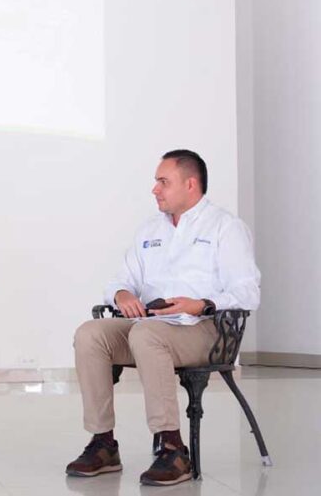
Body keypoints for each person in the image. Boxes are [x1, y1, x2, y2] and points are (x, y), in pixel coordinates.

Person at [66, 150, 261, 486]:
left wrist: (200, 304)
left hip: (206, 329)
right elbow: (121, 279)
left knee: (147, 335)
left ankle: (173, 448)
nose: (154, 189)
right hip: (151, 327)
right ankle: (103, 443)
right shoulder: (150, 230)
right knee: (90, 334)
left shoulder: (226, 228)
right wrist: (122, 295)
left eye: (163, 182)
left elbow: (248, 293)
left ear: (190, 184)